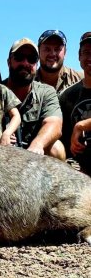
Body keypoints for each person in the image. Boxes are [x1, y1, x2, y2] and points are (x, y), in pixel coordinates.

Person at [2, 38, 66, 160]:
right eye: (19, 57)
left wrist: (37, 145)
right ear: (9, 62)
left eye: (31, 59)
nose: (25, 63)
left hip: (34, 155)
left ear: (36, 64)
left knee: (56, 148)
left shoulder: (46, 92)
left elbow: (54, 124)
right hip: (2, 152)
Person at [59, 32, 91, 175]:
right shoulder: (67, 96)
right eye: (86, 52)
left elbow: (78, 126)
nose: (90, 58)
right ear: (79, 56)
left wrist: (81, 125)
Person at [36, 29, 83, 95]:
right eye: (47, 49)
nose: (52, 54)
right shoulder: (27, 83)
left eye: (57, 49)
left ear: (65, 53)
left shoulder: (81, 80)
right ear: (38, 52)